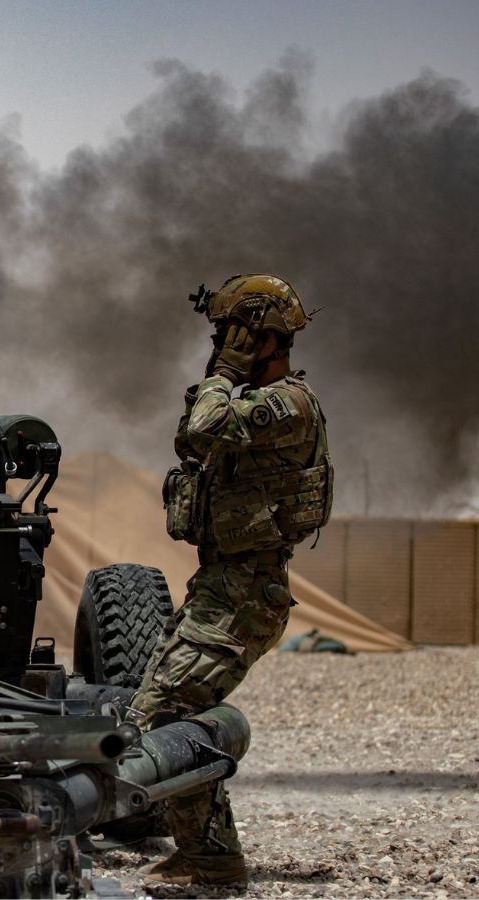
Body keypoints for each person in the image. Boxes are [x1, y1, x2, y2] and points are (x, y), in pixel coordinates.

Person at [135, 274, 334, 888]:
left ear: (265, 337)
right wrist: (220, 374)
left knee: (167, 710)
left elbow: (203, 429)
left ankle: (212, 861)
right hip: (223, 583)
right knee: (166, 706)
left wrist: (224, 372)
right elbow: (189, 437)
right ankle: (204, 851)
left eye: (233, 332)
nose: (222, 341)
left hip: (248, 589)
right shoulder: (244, 401)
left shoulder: (287, 405)